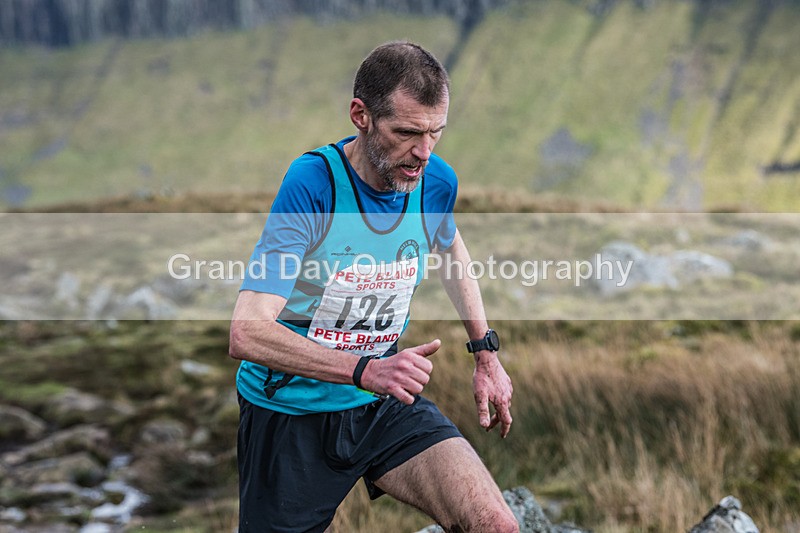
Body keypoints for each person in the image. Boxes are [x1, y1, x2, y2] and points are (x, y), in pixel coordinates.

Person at [229, 41, 516, 533]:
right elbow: (247, 333)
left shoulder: (434, 182)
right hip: (291, 413)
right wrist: (364, 369)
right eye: (407, 133)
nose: (423, 153)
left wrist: (485, 354)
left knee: (495, 525)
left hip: (381, 405)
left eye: (435, 133)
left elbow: (450, 249)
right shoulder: (313, 185)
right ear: (360, 115)